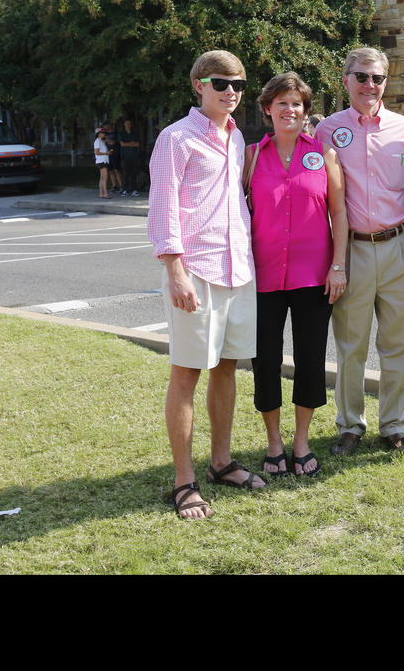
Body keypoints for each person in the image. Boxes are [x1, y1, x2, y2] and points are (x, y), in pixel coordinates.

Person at [147, 49, 265, 519]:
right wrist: (175, 270)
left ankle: (220, 462)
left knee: (227, 368)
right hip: (194, 271)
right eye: (220, 83)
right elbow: (163, 209)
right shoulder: (175, 139)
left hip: (238, 268)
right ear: (198, 85)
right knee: (187, 372)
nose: (231, 92)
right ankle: (184, 482)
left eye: (237, 83)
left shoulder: (237, 139)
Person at [313, 47, 404, 455]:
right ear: (346, 81)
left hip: (398, 247)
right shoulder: (327, 132)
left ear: (385, 83)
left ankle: (394, 425)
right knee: (351, 345)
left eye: (376, 78)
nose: (369, 85)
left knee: (398, 344)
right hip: (352, 250)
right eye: (361, 77)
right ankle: (350, 426)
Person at [248, 72, 348, 479]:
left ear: (307, 111)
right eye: (282, 103)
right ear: (268, 109)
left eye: (298, 104)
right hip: (263, 277)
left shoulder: (323, 154)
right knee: (265, 361)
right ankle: (274, 443)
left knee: (310, 359)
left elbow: (339, 212)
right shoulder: (251, 156)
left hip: (313, 276)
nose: (291, 110)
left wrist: (338, 264)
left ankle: (302, 441)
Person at [119, 118, 142, 196]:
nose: (128, 125)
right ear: (124, 125)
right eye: (127, 124)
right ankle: (125, 190)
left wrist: (127, 143)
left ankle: (134, 190)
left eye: (129, 124)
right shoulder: (122, 133)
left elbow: (137, 144)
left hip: (134, 157)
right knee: (125, 173)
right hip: (125, 157)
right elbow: (122, 144)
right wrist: (131, 143)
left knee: (133, 174)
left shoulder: (134, 133)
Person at [105, 122, 124, 193]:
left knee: (117, 170)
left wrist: (107, 141)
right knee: (110, 171)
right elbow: (103, 141)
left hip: (115, 154)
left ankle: (121, 186)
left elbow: (113, 142)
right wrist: (107, 141)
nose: (107, 126)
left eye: (108, 125)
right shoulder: (105, 134)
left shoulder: (116, 133)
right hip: (108, 155)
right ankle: (114, 186)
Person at [93, 126, 111, 198]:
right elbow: (96, 152)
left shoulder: (101, 141)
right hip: (101, 161)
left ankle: (101, 193)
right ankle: (105, 193)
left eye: (104, 133)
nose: (104, 134)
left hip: (103, 161)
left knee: (102, 177)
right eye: (102, 132)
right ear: (98, 133)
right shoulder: (97, 141)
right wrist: (106, 153)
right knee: (105, 178)